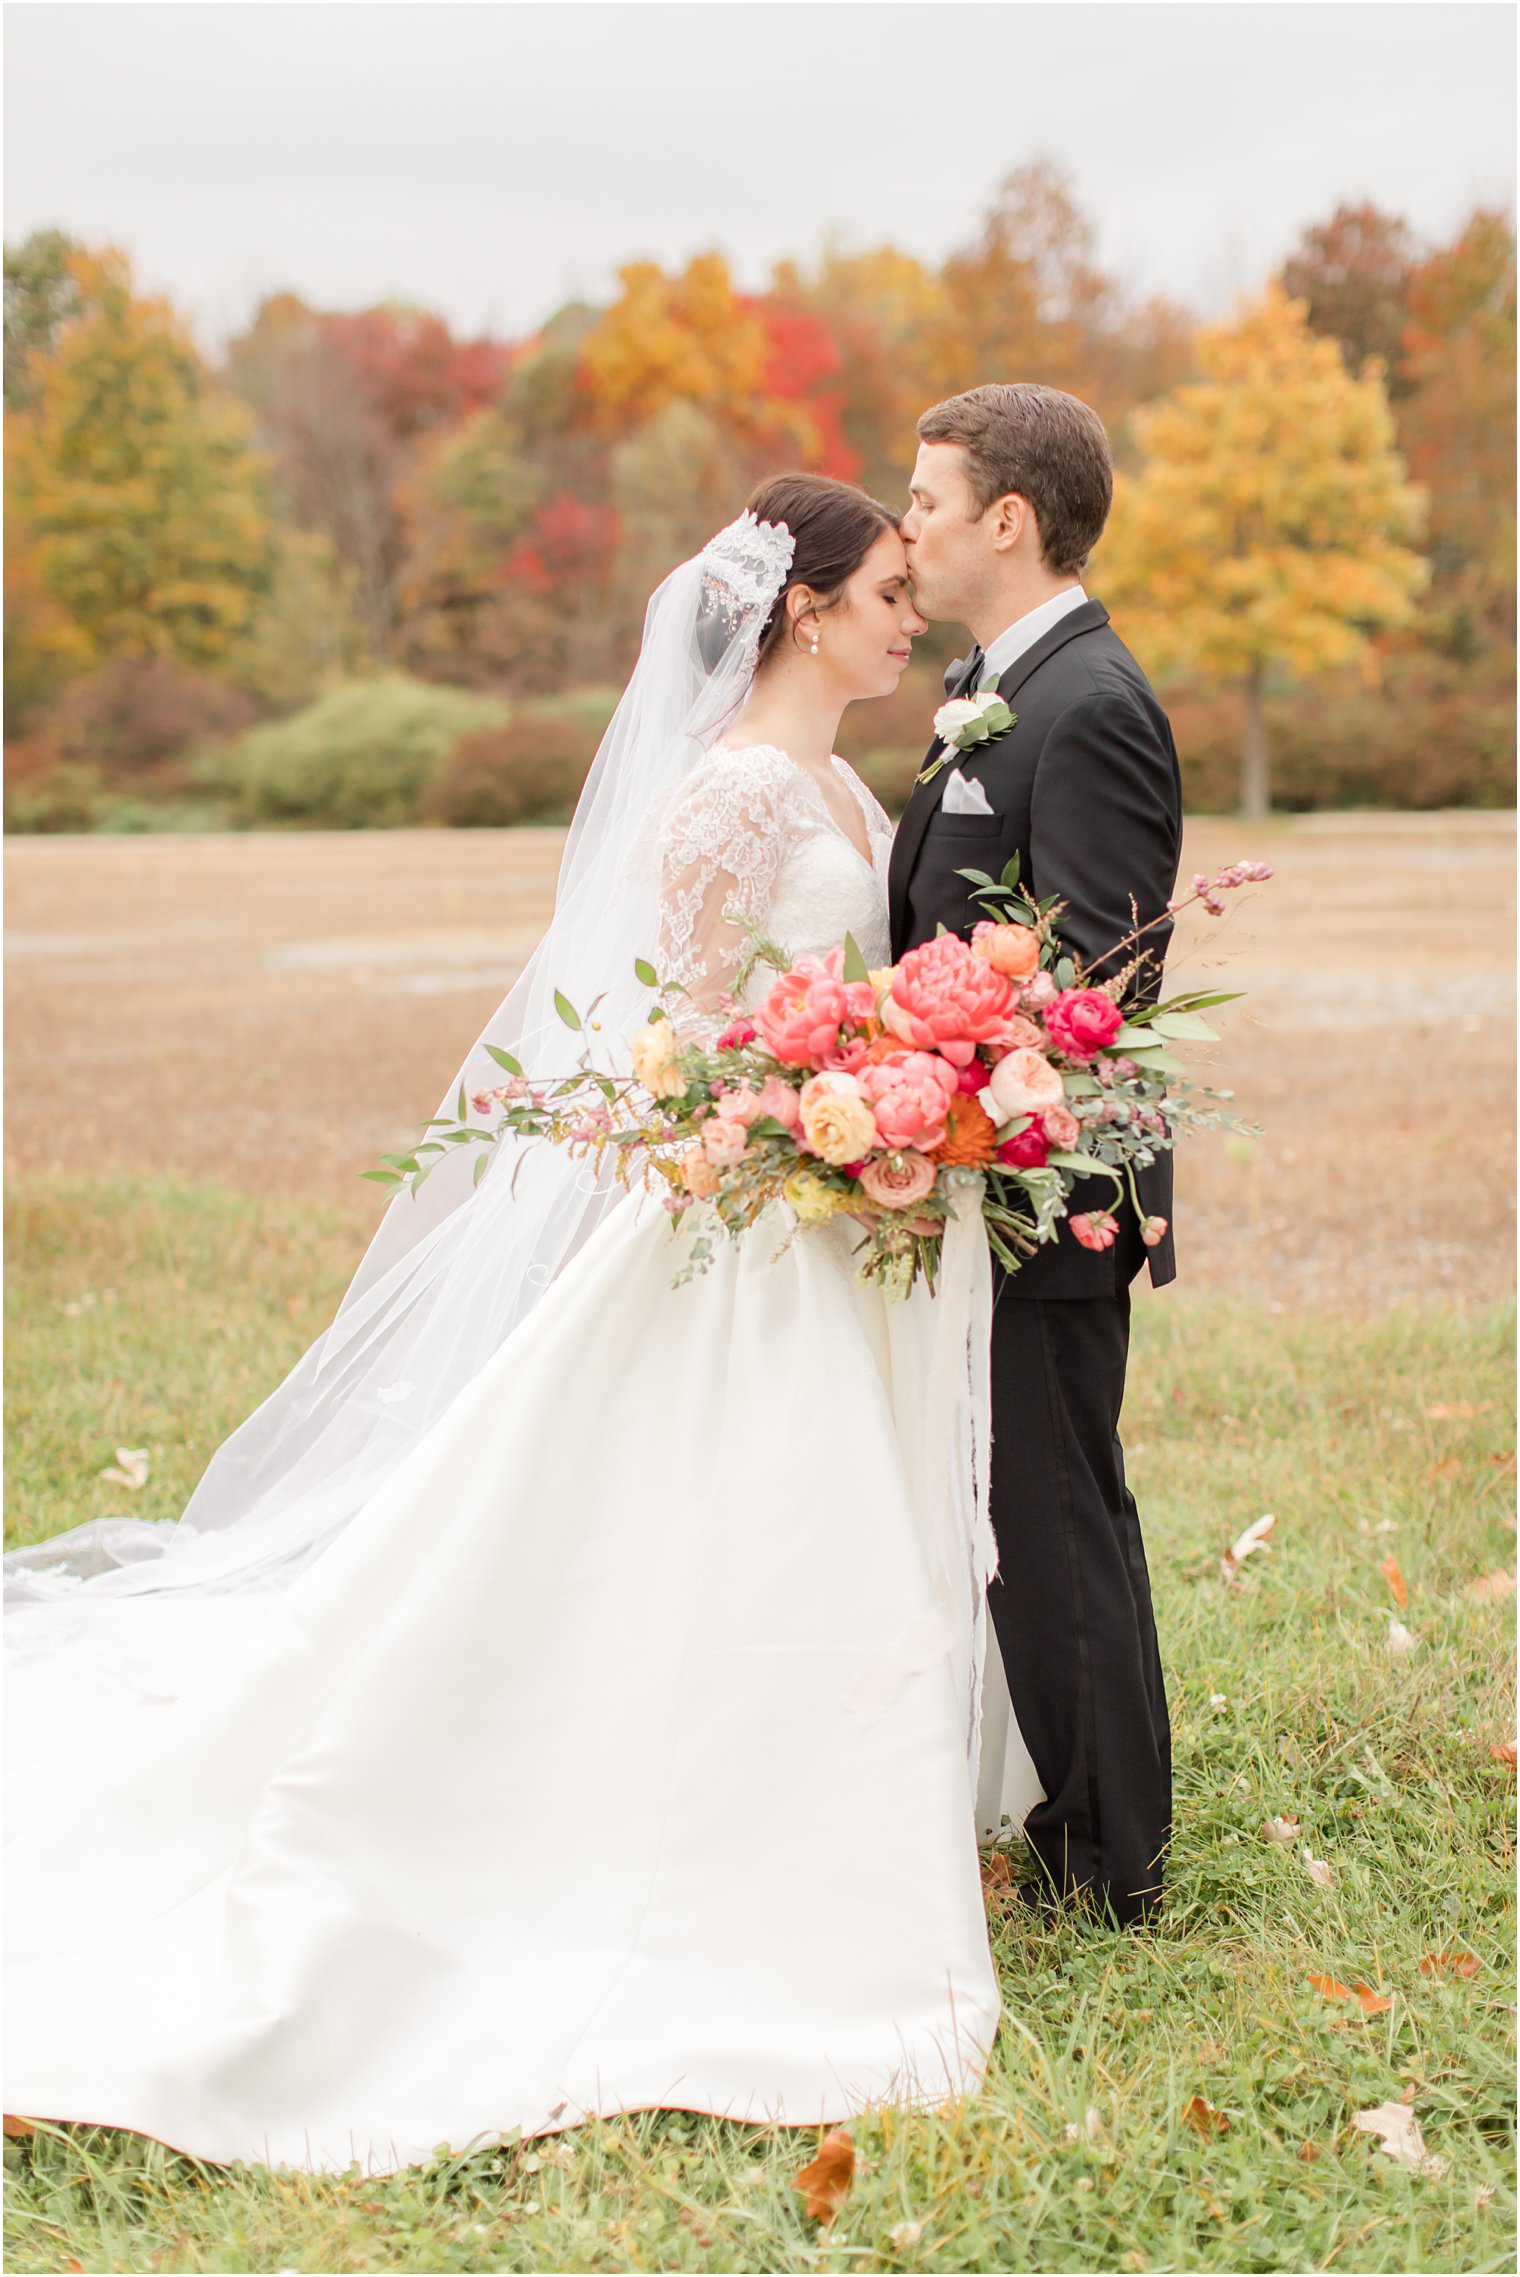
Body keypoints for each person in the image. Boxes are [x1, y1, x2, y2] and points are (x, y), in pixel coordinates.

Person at [4, 474, 1042, 2176]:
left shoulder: (847, 784)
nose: (907, 612)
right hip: (743, 1225)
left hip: (837, 1223)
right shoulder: (723, 803)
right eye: (882, 592)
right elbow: (678, 1035)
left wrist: (905, 1094)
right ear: (800, 607)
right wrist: (809, 1113)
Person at [891, 383, 1184, 1926]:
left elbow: (1095, 988)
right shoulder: (994, 680)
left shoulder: (1095, 702)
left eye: (928, 499)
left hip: (1049, 1192)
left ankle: (1108, 1861)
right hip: (973, 1178)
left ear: (1009, 517)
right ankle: (1076, 1820)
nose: (911, 524)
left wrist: (925, 1084)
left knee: (1057, 1509)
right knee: (1025, 1505)